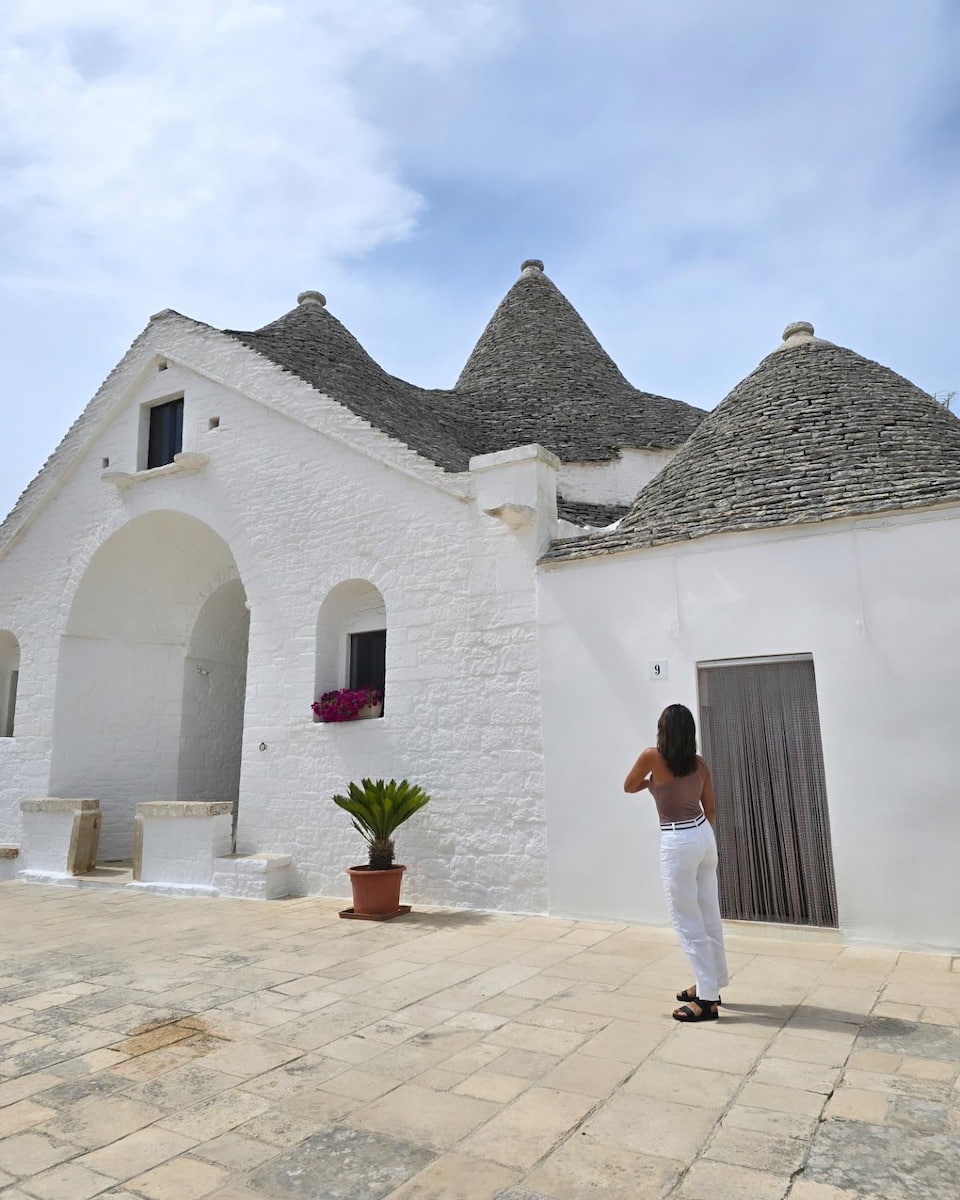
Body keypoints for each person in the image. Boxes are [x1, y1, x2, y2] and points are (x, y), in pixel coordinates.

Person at [623, 703, 729, 1022]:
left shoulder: (652, 757)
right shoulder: (699, 764)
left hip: (677, 839)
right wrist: (702, 837)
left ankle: (707, 1001)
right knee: (709, 914)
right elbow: (710, 808)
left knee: (687, 919)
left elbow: (629, 786)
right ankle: (712, 984)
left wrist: (652, 784)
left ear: (663, 730)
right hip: (703, 836)